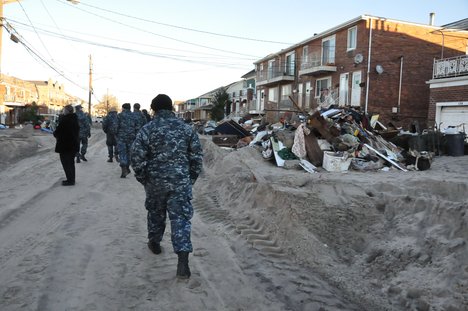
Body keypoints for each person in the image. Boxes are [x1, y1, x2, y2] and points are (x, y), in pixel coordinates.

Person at [131, 94, 203, 279]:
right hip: (180, 182)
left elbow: (137, 157)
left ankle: (154, 243)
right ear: (171, 108)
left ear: (153, 109)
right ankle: (183, 262)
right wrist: (189, 179)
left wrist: (144, 178)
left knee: (156, 213)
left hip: (155, 182)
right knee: (181, 219)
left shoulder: (147, 129)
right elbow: (196, 158)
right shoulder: (187, 129)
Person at [53, 104, 79, 186]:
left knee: (66, 163)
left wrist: (55, 133)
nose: (63, 111)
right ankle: (72, 179)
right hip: (73, 145)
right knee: (71, 163)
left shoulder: (65, 120)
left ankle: (70, 181)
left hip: (65, 146)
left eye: (64, 110)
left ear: (67, 111)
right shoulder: (75, 119)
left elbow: (58, 132)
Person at [116, 103, 138, 178]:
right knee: (129, 153)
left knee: (122, 152)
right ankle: (127, 167)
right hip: (131, 137)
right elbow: (137, 127)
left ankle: (123, 168)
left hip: (121, 137)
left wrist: (116, 134)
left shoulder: (119, 116)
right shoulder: (134, 116)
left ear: (123, 108)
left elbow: (116, 126)